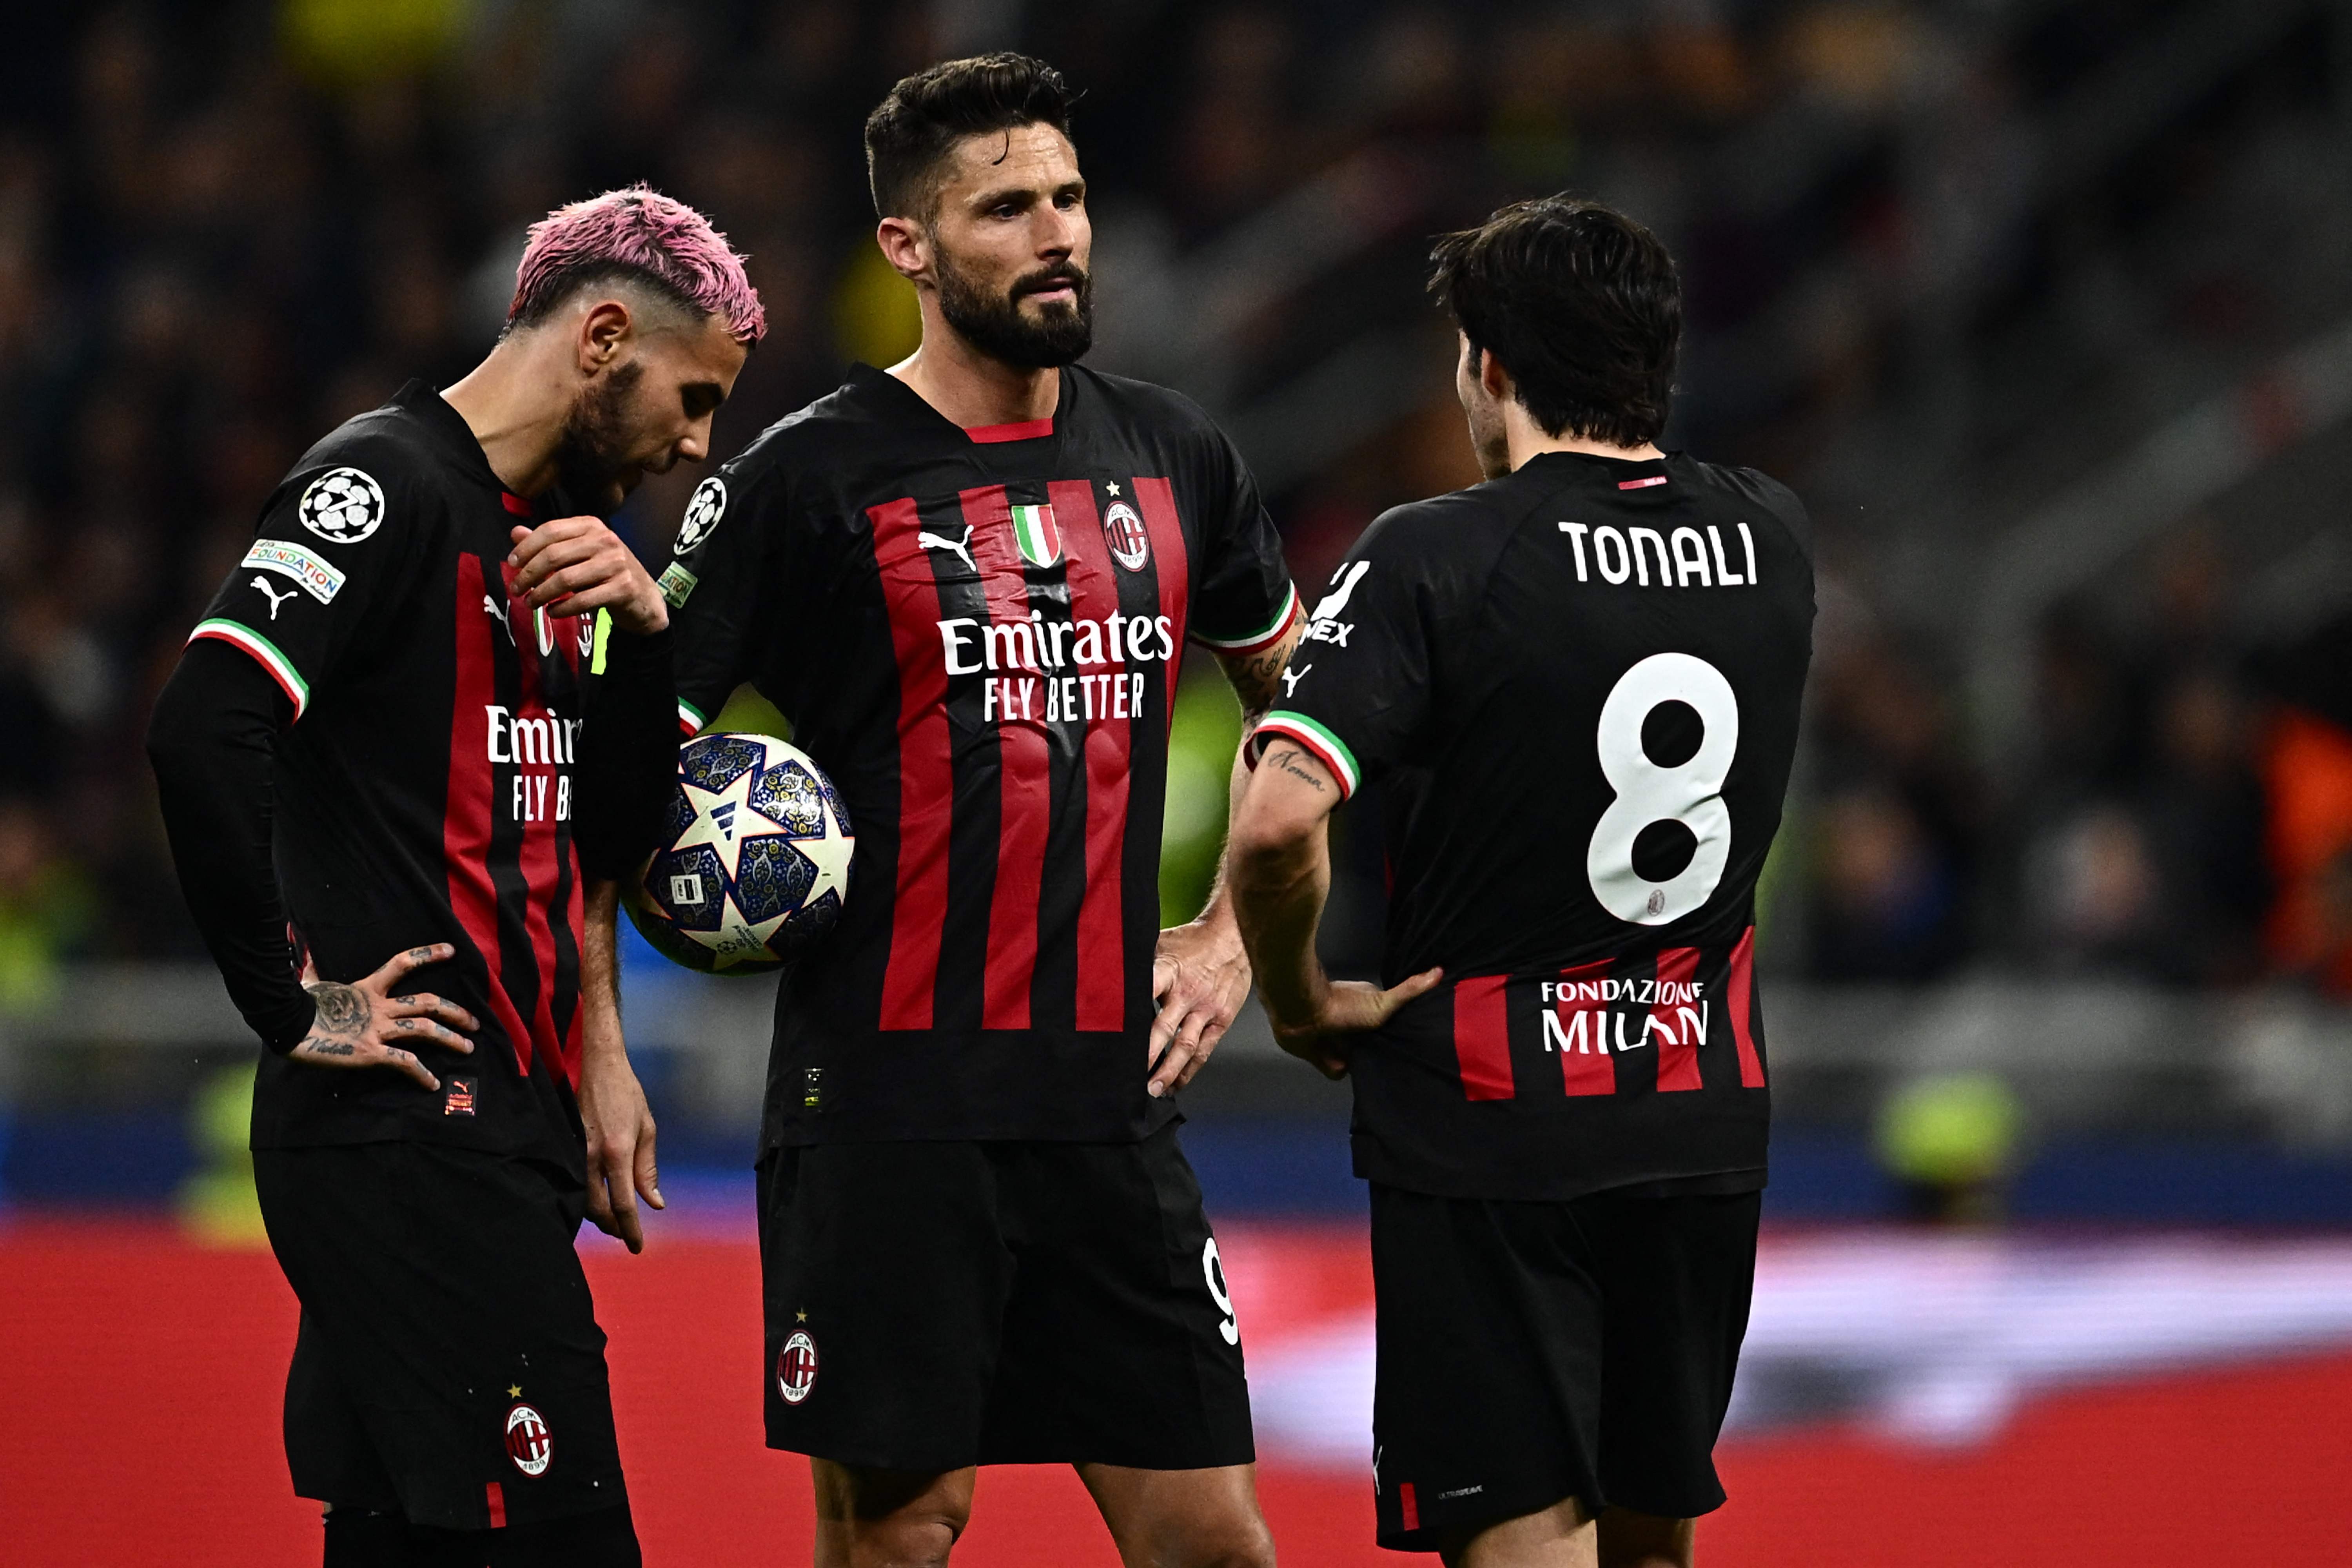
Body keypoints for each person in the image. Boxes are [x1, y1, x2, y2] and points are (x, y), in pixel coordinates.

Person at [644, 53, 1299, 1568]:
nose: (1059, 231)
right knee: (902, 1533)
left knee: (1217, 1539)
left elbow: (1312, 703)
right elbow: (632, 752)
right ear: (911, 249)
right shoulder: (802, 481)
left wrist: (1227, 942)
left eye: (1070, 198)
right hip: (886, 1106)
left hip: (1107, 1103)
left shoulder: (1175, 453)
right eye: (1006, 207)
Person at [146, 187, 764, 1568]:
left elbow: (611, 833)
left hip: (503, 1129)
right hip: (413, 1134)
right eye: (695, 395)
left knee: (403, 1543)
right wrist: (295, 1005)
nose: (696, 445)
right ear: (603, 335)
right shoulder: (383, 490)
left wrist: (647, 637)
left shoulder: (566, 553)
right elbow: (203, 728)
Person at [1227, 197, 1816, 1567]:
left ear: (1490, 366)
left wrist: (1301, 997)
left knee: (1525, 1543)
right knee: (1652, 1538)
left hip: (1494, 1129)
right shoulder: (1775, 537)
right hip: (1700, 1113)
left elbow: (1270, 826)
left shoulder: (1438, 554)